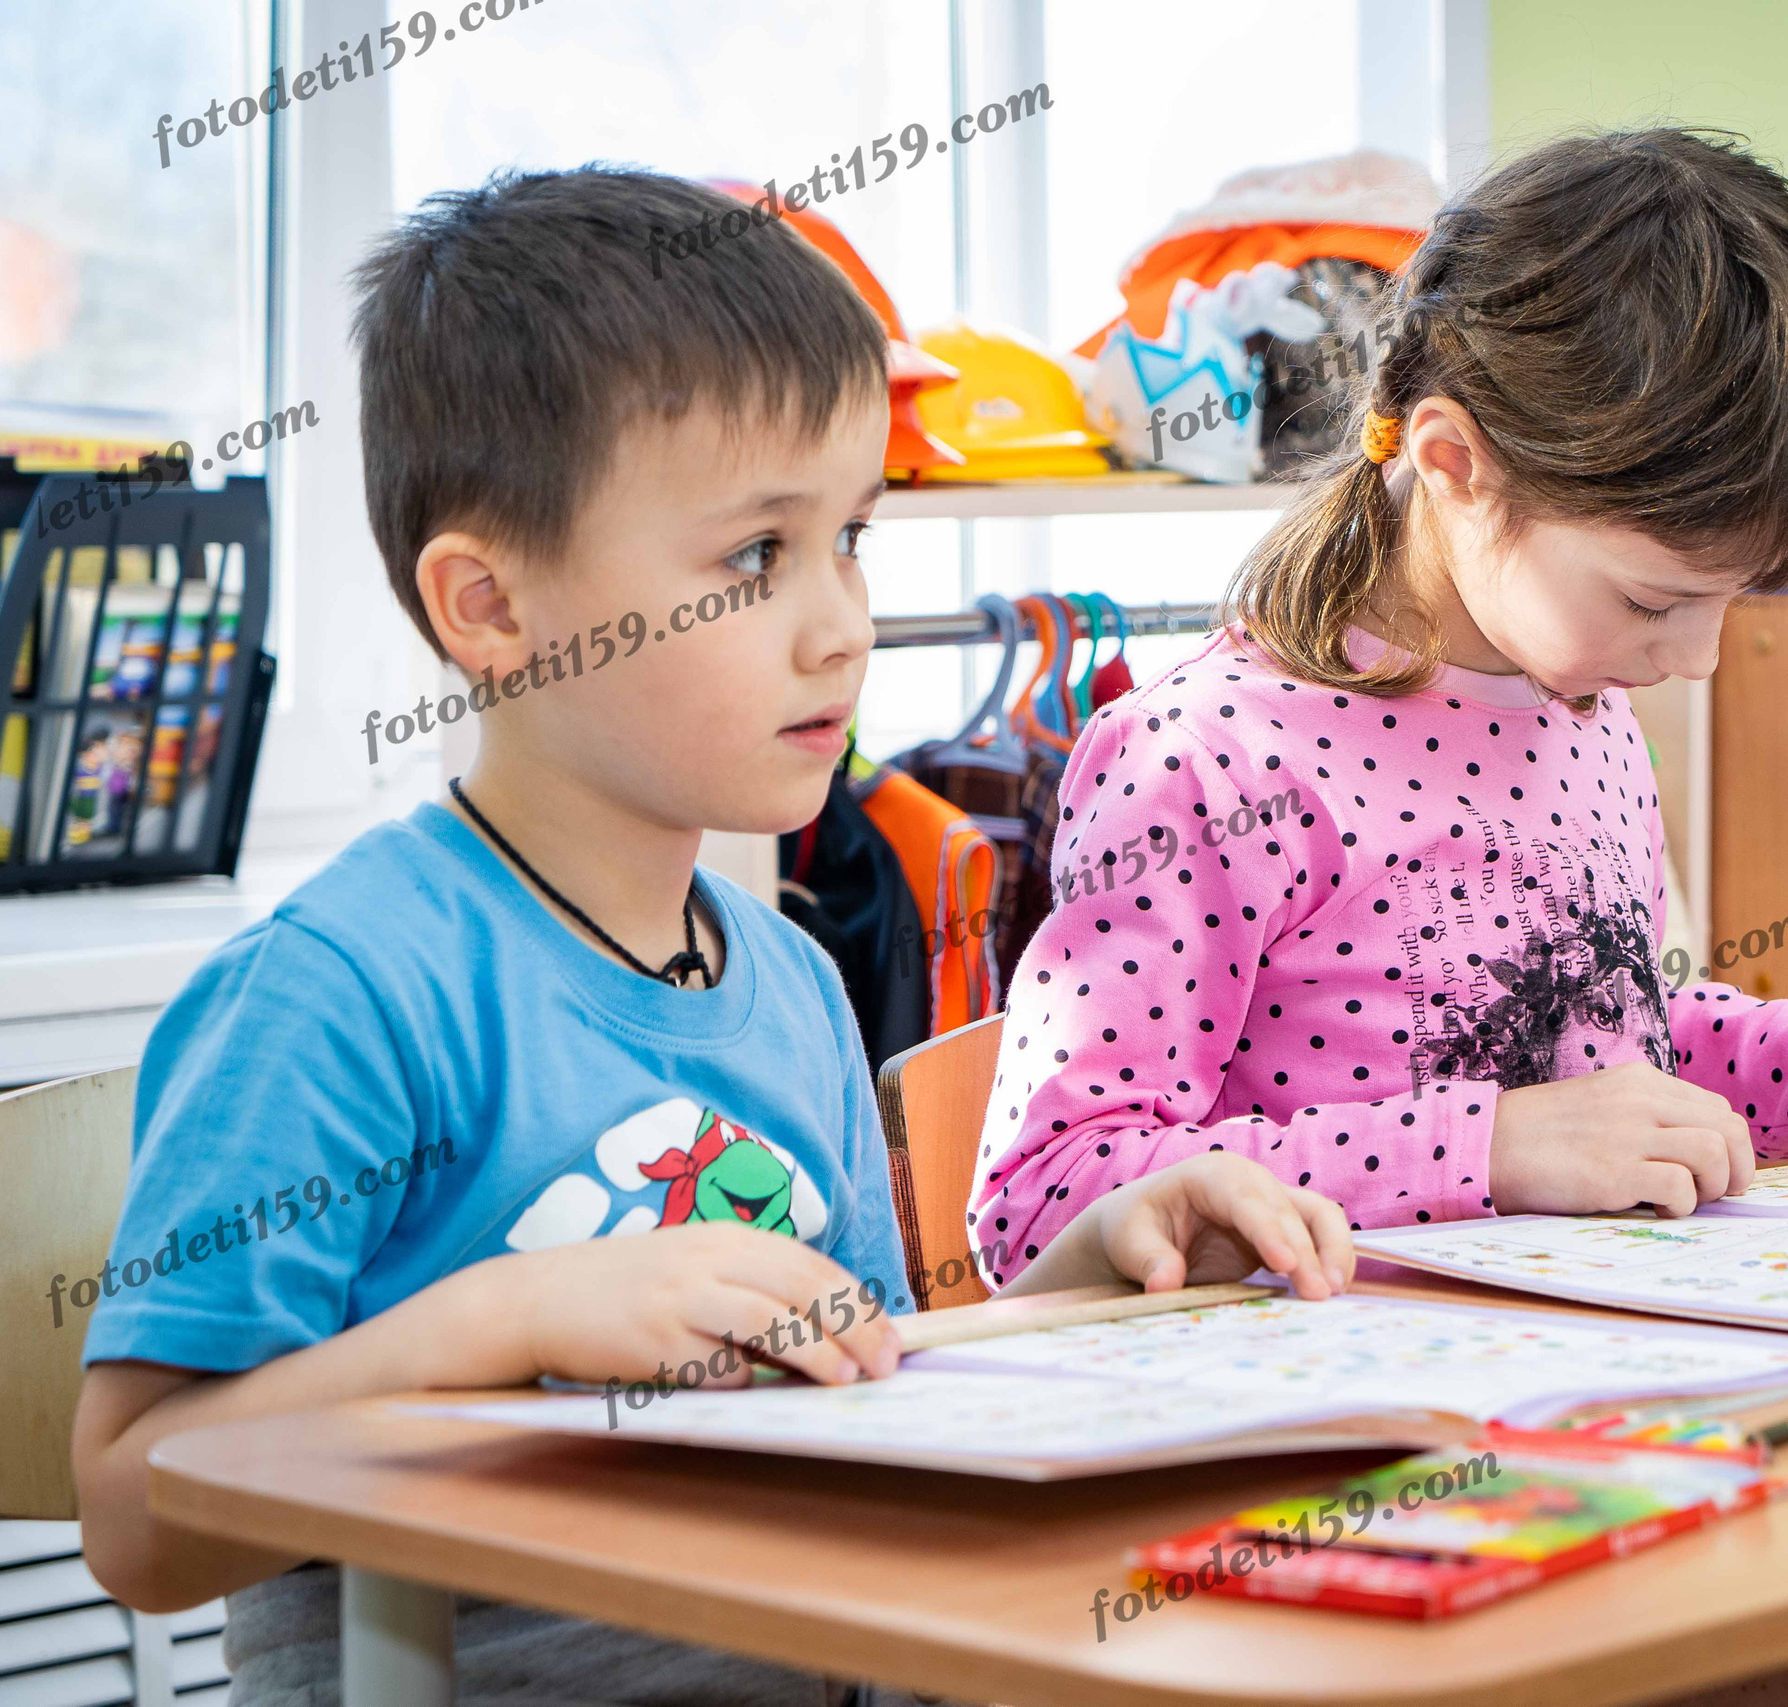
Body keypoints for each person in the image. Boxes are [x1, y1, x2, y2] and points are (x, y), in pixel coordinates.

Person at [68, 166, 1354, 1707]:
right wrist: (508, 1319)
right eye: (755, 558)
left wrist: (1105, 1259)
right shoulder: (342, 994)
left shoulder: (791, 978)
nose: (843, 624)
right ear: (489, 607)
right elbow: (137, 1516)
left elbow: (865, 1376)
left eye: (853, 541)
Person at [970, 130, 1788, 1706]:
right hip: (1347, 1522)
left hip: (1620, 1433)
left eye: (1734, 604)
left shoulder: (1575, 706)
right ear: (1452, 461)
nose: (1698, 661)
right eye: (1657, 601)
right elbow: (1047, 1201)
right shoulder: (1207, 757)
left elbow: (1614, 1044)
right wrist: (1487, 1148)